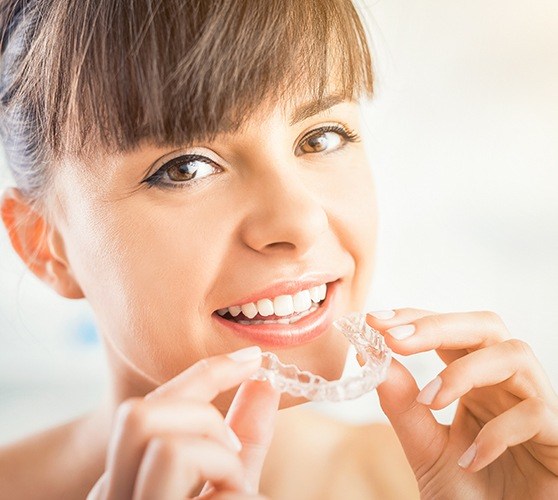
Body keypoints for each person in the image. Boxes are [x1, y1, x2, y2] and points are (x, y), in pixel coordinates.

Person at [0, 0, 557, 498]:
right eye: (185, 168)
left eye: (320, 137)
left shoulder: (470, 480)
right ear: (44, 244)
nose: (300, 222)